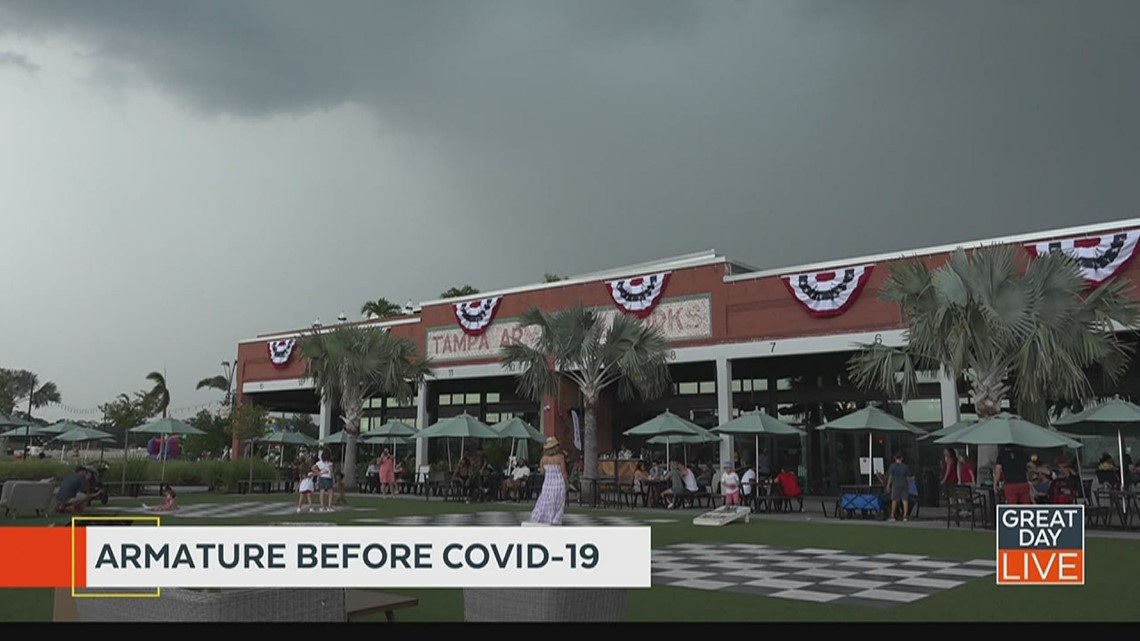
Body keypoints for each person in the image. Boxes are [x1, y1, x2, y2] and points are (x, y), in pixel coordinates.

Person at [529, 437, 569, 525]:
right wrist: (567, 483)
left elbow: (542, 472)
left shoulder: (543, 459)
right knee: (558, 504)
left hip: (547, 484)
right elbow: (564, 473)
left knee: (544, 502)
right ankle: (555, 521)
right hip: (558, 484)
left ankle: (541, 519)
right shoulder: (560, 458)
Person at [886, 452, 912, 522]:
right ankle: (905, 516)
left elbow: (890, 476)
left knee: (894, 500)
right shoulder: (905, 467)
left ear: (895, 458)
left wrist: (888, 485)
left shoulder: (892, 466)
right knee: (905, 500)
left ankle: (892, 516)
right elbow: (908, 478)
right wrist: (909, 486)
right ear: (902, 458)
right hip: (904, 484)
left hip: (895, 484)